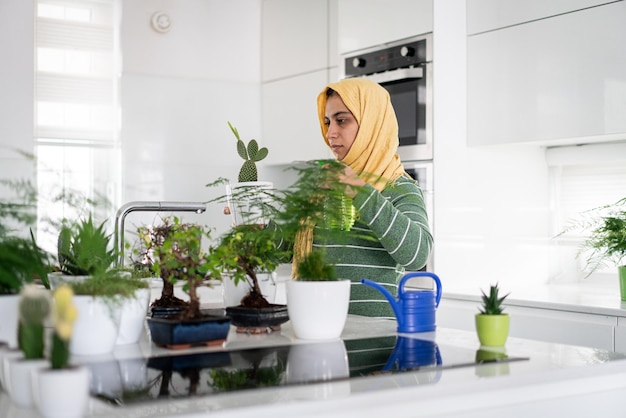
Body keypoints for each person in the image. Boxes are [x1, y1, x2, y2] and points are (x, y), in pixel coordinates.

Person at [292, 77, 433, 318]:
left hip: (375, 343)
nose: (330, 134)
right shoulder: (327, 186)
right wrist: (255, 224)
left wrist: (359, 189)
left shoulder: (398, 187)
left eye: (342, 120)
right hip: (319, 328)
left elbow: (417, 254)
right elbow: (293, 249)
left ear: (371, 124)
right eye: (327, 122)